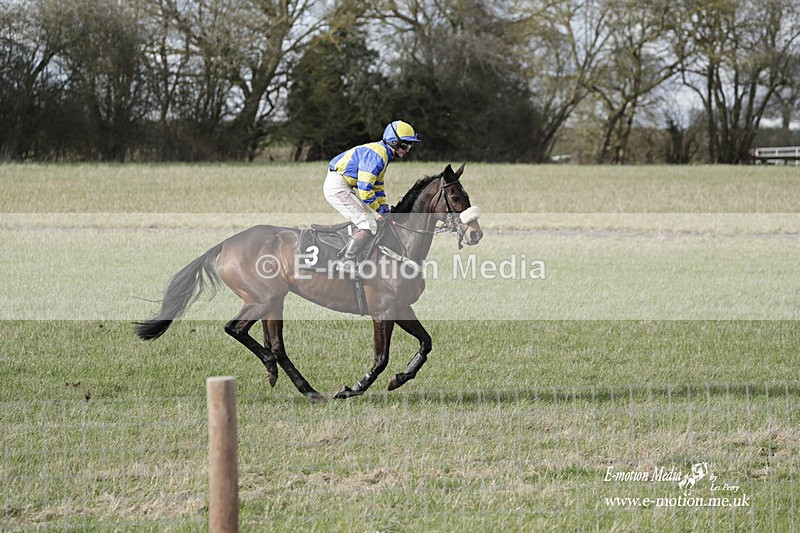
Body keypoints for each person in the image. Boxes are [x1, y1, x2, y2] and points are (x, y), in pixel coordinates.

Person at [324, 120, 421, 271]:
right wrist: (379, 211)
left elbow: (378, 186)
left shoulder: (384, 154)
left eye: (409, 146)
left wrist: (384, 209)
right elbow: (365, 190)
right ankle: (346, 262)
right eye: (405, 145)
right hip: (337, 186)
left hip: (344, 184)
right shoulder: (378, 155)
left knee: (375, 220)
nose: (407, 150)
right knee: (366, 222)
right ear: (394, 142)